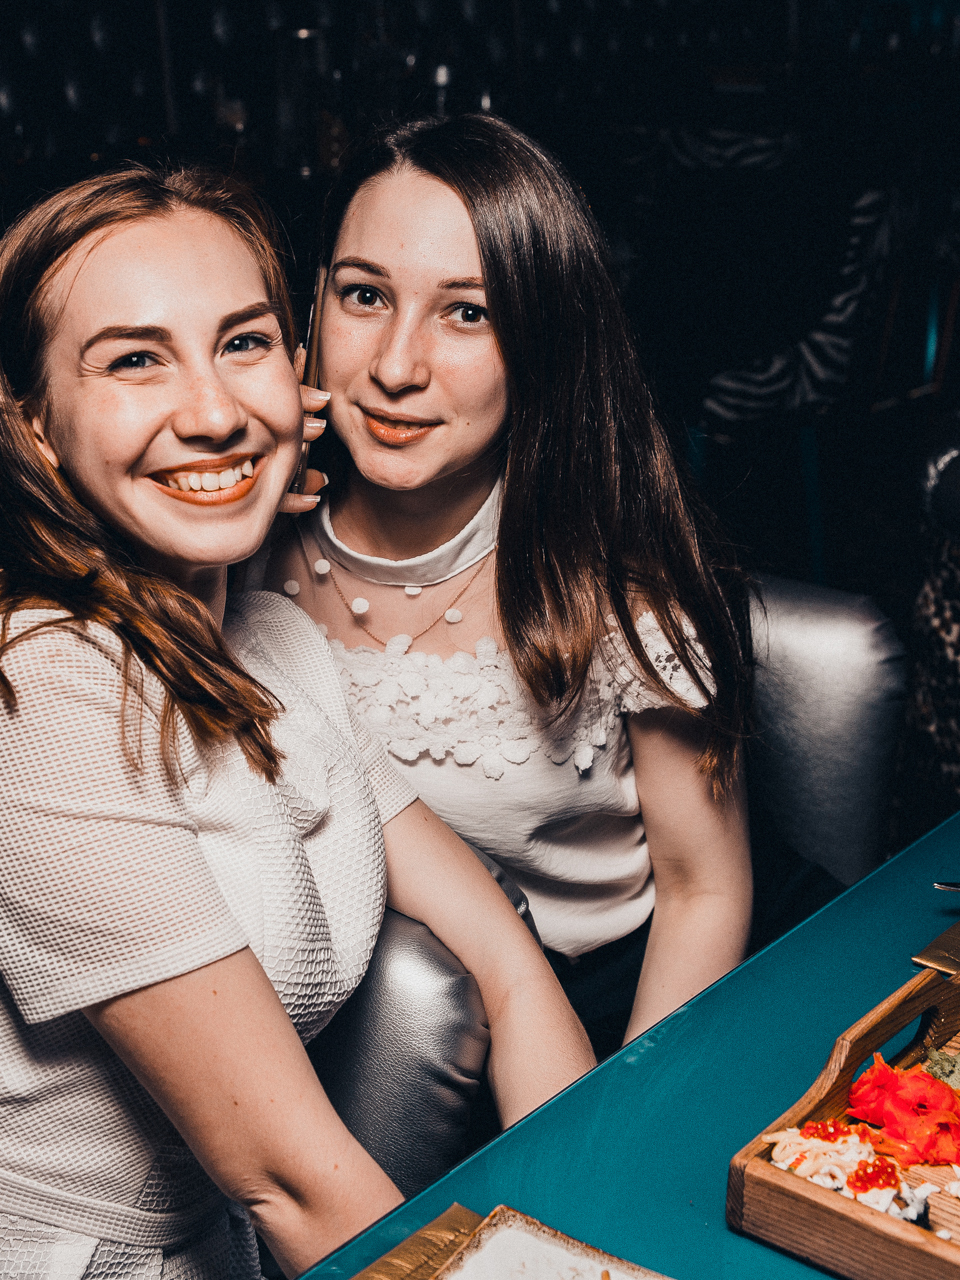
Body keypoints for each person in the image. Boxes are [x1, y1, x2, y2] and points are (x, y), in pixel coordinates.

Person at [0, 165, 594, 1280]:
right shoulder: (24, 690)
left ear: (300, 377)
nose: (211, 413)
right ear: (35, 428)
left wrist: (592, 1222)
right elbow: (290, 1177)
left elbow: (508, 963)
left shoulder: (278, 644)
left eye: (243, 345)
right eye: (135, 360)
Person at [244, 115, 755, 1058]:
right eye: (364, 296)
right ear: (310, 308)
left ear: (543, 341)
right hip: (344, 1033)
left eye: (467, 313)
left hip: (604, 1016)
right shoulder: (230, 553)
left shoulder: (619, 585)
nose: (396, 366)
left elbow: (704, 892)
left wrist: (623, 1109)